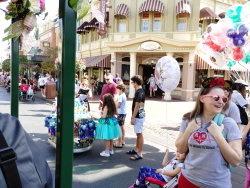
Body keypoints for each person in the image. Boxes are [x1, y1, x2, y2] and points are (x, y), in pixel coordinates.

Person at [175, 77, 242, 188]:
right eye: (216, 98)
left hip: (217, 184)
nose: (221, 102)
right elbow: (180, 149)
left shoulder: (228, 123)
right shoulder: (189, 119)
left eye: (224, 99)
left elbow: (236, 161)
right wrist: (188, 131)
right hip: (187, 180)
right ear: (202, 98)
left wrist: (218, 136)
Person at [127, 75, 145, 161]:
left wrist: (133, 117)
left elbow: (137, 106)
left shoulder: (138, 92)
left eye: (132, 82)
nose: (132, 84)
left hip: (138, 116)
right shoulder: (140, 91)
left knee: (139, 134)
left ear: (135, 82)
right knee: (138, 134)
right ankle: (136, 149)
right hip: (140, 115)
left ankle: (139, 153)